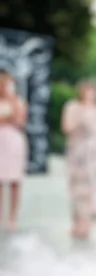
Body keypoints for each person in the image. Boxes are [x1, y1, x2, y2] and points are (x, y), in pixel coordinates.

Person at [61, 79, 96, 239]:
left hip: (93, 155)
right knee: (75, 189)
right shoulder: (73, 107)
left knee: (90, 190)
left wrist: (90, 122)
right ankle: (76, 222)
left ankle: (86, 225)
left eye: (93, 91)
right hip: (76, 153)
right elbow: (67, 127)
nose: (90, 95)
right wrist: (80, 121)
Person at [0, 71, 28, 232]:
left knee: (15, 181)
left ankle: (12, 218)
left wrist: (11, 105)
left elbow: (20, 120)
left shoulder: (18, 101)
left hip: (14, 142)